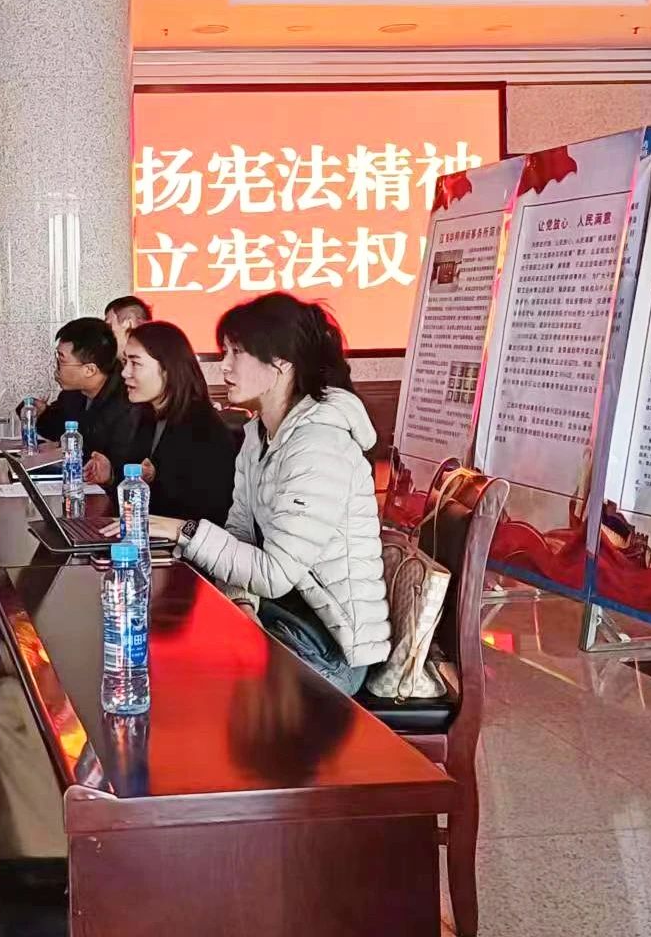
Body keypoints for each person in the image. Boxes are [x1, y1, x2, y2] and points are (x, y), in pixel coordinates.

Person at [142, 293, 390, 695]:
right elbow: (242, 535)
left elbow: (274, 574)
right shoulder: (259, 436)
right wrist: (242, 605)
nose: (224, 366)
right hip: (279, 616)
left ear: (281, 364)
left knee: (187, 683)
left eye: (237, 352)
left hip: (330, 647)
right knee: (165, 655)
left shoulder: (319, 445)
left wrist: (182, 530)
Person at [116, 321, 236, 524]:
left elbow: (206, 514)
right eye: (125, 362)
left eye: (135, 363)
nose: (125, 372)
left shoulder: (203, 429)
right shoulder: (145, 416)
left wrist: (157, 479)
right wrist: (111, 477)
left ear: (167, 369)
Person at [31, 317, 149, 485]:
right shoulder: (74, 394)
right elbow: (57, 429)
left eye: (61, 360)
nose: (55, 366)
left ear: (89, 370)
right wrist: (40, 412)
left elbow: (121, 467)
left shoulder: (127, 403)